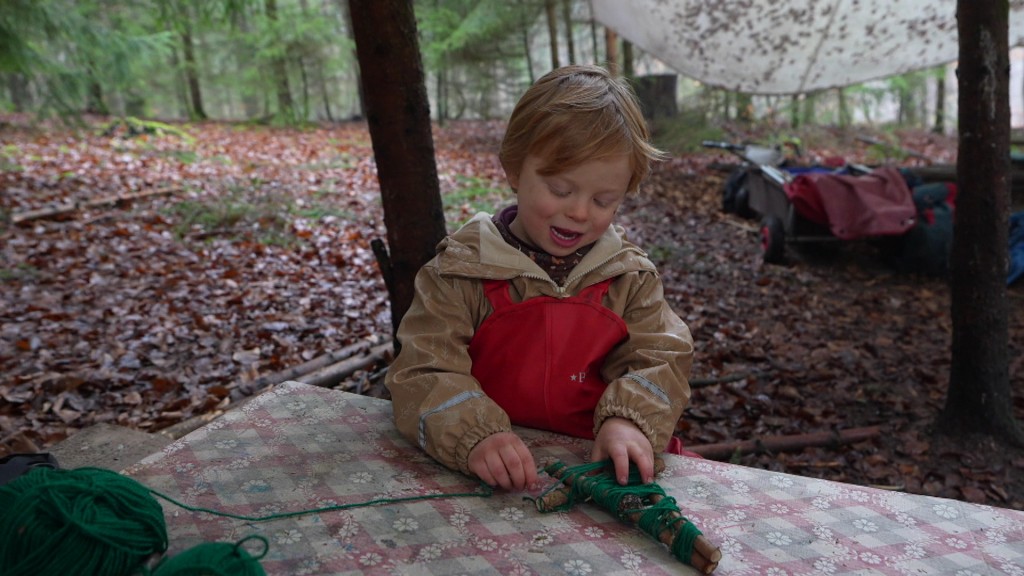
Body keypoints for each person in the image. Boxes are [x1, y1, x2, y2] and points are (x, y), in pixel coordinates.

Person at [385, 64, 693, 492]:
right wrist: (475, 434)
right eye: (561, 190)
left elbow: (661, 356)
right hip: (486, 472)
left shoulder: (629, 279)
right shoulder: (459, 273)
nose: (580, 212)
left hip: (597, 470)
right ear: (514, 170)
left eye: (604, 200)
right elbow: (422, 369)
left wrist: (630, 421)